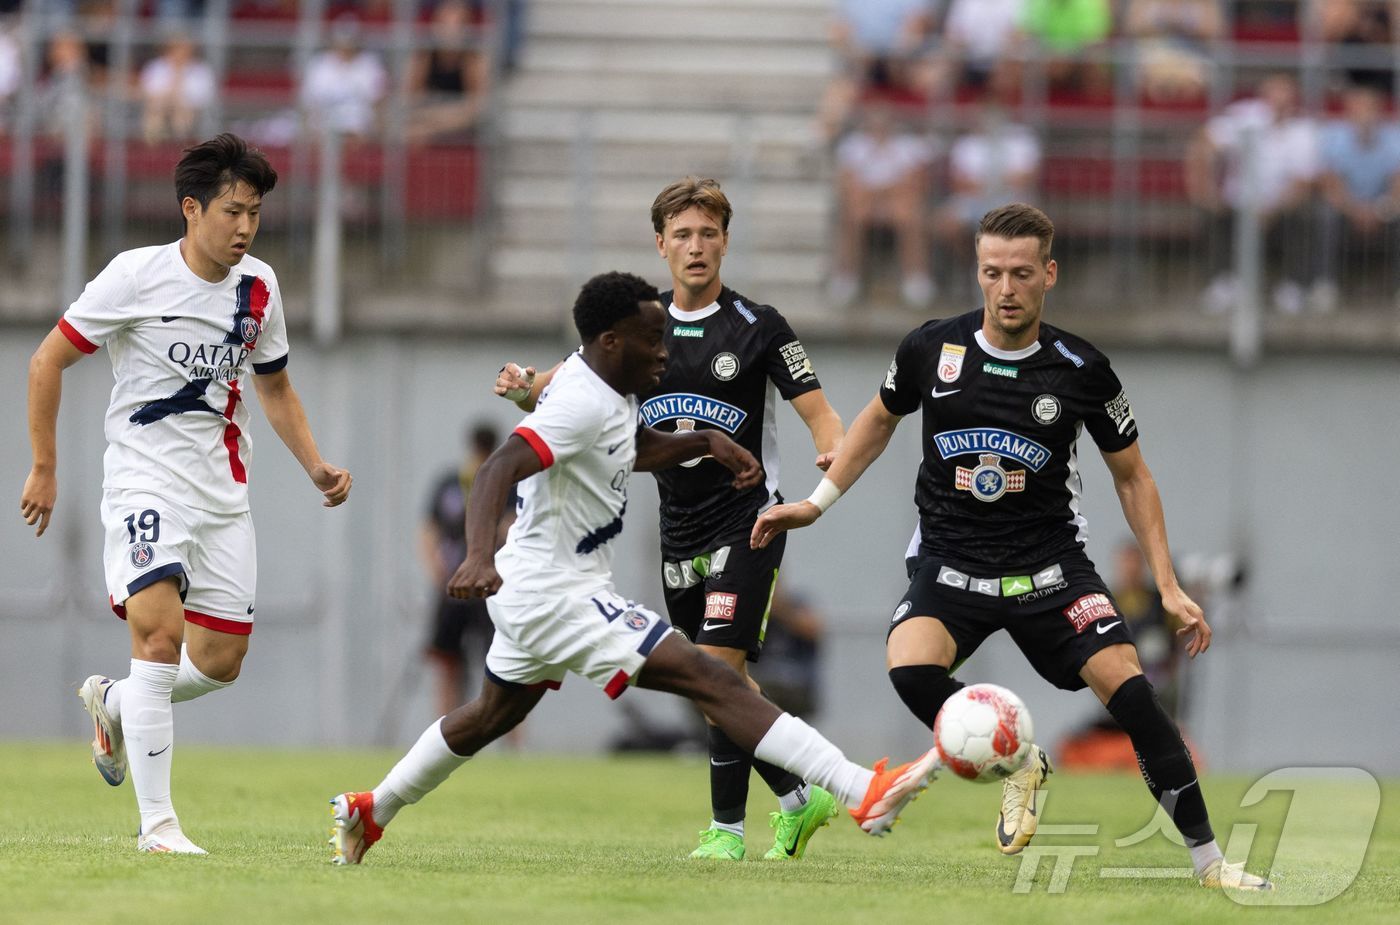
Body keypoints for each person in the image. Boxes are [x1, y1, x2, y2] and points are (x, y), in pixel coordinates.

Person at [328, 271, 937, 865]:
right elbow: (497, 470)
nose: (665, 353)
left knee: (491, 714)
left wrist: (704, 442)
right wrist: (478, 555)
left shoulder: (612, 394)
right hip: (557, 593)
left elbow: (634, 447)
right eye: (653, 341)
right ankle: (862, 791)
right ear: (612, 342)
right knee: (713, 678)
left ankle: (371, 809)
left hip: (544, 590)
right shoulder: (578, 403)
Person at [751, 203, 1273, 892]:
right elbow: (878, 421)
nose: (1006, 288)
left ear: (1048, 274)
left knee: (1139, 701)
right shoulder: (930, 349)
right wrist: (816, 506)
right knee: (910, 669)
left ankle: (1212, 864)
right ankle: (1022, 757)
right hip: (950, 558)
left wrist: (1168, 585)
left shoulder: (1081, 368)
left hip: (1050, 568)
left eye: (1021, 273)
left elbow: (1133, 476)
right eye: (992, 272)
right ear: (978, 270)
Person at [493, 178, 847, 862]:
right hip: (675, 526)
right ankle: (802, 797)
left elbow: (818, 407)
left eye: (708, 233)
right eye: (682, 234)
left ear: (725, 241)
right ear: (660, 244)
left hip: (749, 521)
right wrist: (523, 386)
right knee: (716, 681)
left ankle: (726, 831)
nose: (696, 246)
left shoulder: (758, 326)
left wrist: (830, 445)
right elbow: (565, 385)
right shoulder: (638, 325)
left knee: (713, 665)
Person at [19, 133, 353, 855]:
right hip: (145, 479)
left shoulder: (259, 288)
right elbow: (48, 359)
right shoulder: (134, 277)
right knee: (159, 636)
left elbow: (276, 386)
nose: (244, 227)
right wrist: (45, 466)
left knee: (220, 661)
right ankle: (159, 826)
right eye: (232, 210)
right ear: (190, 208)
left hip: (222, 494)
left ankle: (114, 700)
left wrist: (316, 465)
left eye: (255, 213)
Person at [1185, 72, 1323, 315]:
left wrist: (1272, 209)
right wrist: (1206, 188)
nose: (1279, 103)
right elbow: (1204, 143)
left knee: (1303, 216)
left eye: (1285, 97)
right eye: (1275, 96)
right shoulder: (1243, 116)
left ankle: (1293, 286)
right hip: (1237, 203)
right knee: (1212, 214)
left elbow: (1303, 182)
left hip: (1280, 207)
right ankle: (1224, 282)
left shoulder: (1304, 130)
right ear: (1264, 97)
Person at [420, 422, 514, 720]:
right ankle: (443, 729)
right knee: (448, 662)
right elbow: (428, 530)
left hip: (492, 589)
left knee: (503, 665)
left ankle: (512, 744)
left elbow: (514, 527)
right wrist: (436, 569)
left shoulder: (506, 482)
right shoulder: (451, 483)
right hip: (453, 588)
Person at [828, 100, 937, 309]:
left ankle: (915, 277)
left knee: (910, 216)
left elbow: (916, 183)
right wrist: (879, 195)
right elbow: (847, 184)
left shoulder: (908, 146)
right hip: (866, 203)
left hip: (897, 203)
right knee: (853, 214)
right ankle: (846, 276)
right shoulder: (853, 146)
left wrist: (882, 194)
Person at [1315, 80, 1400, 311]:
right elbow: (1331, 182)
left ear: (1379, 111)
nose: (1364, 115)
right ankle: (1325, 283)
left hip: (1383, 208)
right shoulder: (1334, 135)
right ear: (1349, 111)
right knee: (1325, 216)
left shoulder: (1394, 136)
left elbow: (1397, 183)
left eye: (1369, 108)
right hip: (1346, 208)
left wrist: (1380, 209)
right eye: (1359, 108)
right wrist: (1355, 210)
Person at [404, 0, 492, 145]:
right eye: (444, 22)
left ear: (466, 27)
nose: (449, 30)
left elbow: (477, 108)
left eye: (457, 23)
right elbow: (408, 99)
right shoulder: (423, 56)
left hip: (458, 128)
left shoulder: (474, 58)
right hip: (427, 119)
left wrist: (433, 123)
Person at [139, 31, 217, 144]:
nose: (180, 53)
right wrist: (170, 92)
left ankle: (179, 146)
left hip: (189, 108)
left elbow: (204, 96)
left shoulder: (201, 69)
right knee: (155, 111)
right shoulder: (156, 66)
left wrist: (179, 96)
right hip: (160, 105)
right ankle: (152, 148)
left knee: (181, 113)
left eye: (184, 50)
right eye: (177, 49)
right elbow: (148, 91)